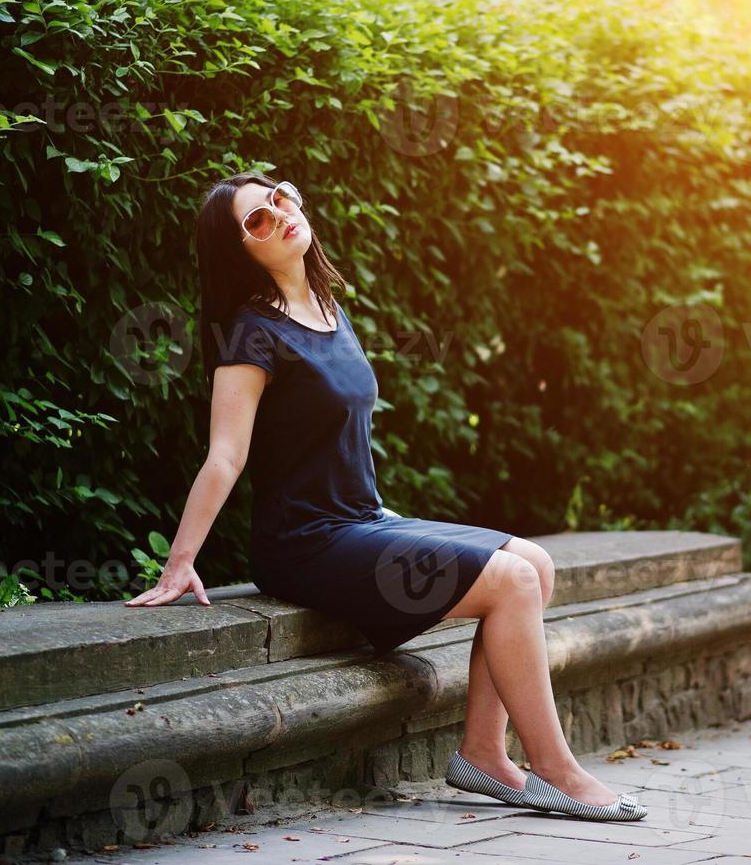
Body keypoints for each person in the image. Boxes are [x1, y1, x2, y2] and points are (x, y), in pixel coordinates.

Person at [125, 171, 645, 822]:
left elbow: (334, 438)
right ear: (239, 249)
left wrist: (387, 520)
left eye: (280, 197)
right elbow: (226, 455)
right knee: (511, 580)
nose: (280, 213)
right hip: (305, 543)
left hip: (360, 521)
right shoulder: (249, 333)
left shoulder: (326, 309)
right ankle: (555, 770)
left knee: (534, 565)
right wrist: (180, 561)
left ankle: (484, 755)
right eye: (256, 218)